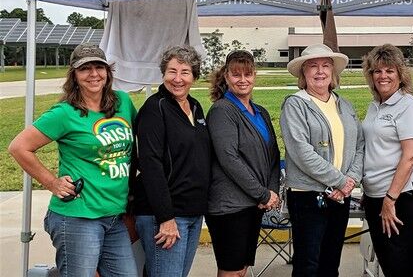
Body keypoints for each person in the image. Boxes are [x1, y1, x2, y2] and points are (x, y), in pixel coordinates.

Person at [8, 43, 138, 277]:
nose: (93, 74)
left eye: (99, 67)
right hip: (78, 217)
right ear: (74, 76)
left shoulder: (123, 103)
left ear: (108, 72)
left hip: (114, 216)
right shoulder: (64, 113)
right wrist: (52, 182)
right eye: (84, 69)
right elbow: (19, 147)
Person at [280, 44, 364, 277]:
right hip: (308, 196)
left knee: (331, 262)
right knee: (308, 265)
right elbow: (301, 151)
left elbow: (360, 145)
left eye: (325, 65)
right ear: (303, 73)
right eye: (313, 66)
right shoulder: (295, 104)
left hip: (341, 195)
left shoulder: (344, 105)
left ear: (333, 72)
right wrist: (339, 181)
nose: (320, 71)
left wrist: (350, 180)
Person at [132, 45, 210, 277]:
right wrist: (166, 218)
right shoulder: (154, 109)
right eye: (171, 71)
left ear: (194, 76)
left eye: (185, 72)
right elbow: (150, 164)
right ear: (163, 74)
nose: (177, 79)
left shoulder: (195, 107)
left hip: (192, 211)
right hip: (165, 215)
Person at [205, 50, 281, 277]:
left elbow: (274, 156)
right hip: (229, 205)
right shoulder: (222, 110)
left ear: (255, 76)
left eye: (247, 74)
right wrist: (262, 194)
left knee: (243, 269)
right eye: (236, 75)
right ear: (226, 77)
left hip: (254, 203)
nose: (242, 80)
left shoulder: (261, 112)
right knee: (232, 271)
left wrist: (272, 191)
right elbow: (228, 159)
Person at [361, 44, 413, 277]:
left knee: (400, 264)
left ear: (400, 74)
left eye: (389, 70)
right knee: (388, 263)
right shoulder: (375, 105)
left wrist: (390, 199)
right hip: (376, 195)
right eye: (377, 71)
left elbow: (411, 156)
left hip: (399, 197)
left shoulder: (408, 105)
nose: (383, 76)